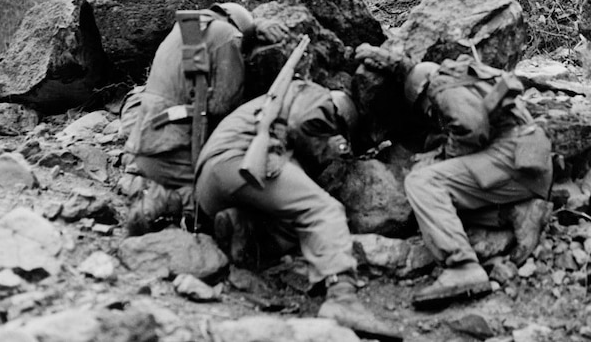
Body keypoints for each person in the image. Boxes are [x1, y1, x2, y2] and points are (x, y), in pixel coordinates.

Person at [194, 79, 402, 341]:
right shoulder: (319, 97)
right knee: (324, 210)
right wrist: (330, 148)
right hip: (242, 161)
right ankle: (342, 298)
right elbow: (302, 123)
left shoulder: (277, 101)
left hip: (210, 184)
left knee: (294, 222)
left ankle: (242, 227)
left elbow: (291, 146)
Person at [356, 44, 554, 308]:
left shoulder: (441, 86)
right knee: (441, 201)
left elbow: (472, 128)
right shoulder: (469, 78)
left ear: (421, 93)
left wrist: (444, 156)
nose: (430, 114)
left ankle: (462, 266)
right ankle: (516, 211)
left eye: (425, 109)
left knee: (422, 182)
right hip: (528, 166)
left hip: (512, 160)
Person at [121, 2, 286, 235]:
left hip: (146, 146)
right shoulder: (227, 35)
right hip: (172, 148)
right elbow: (224, 104)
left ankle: (150, 207)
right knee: (220, 187)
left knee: (186, 185)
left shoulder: (185, 30)